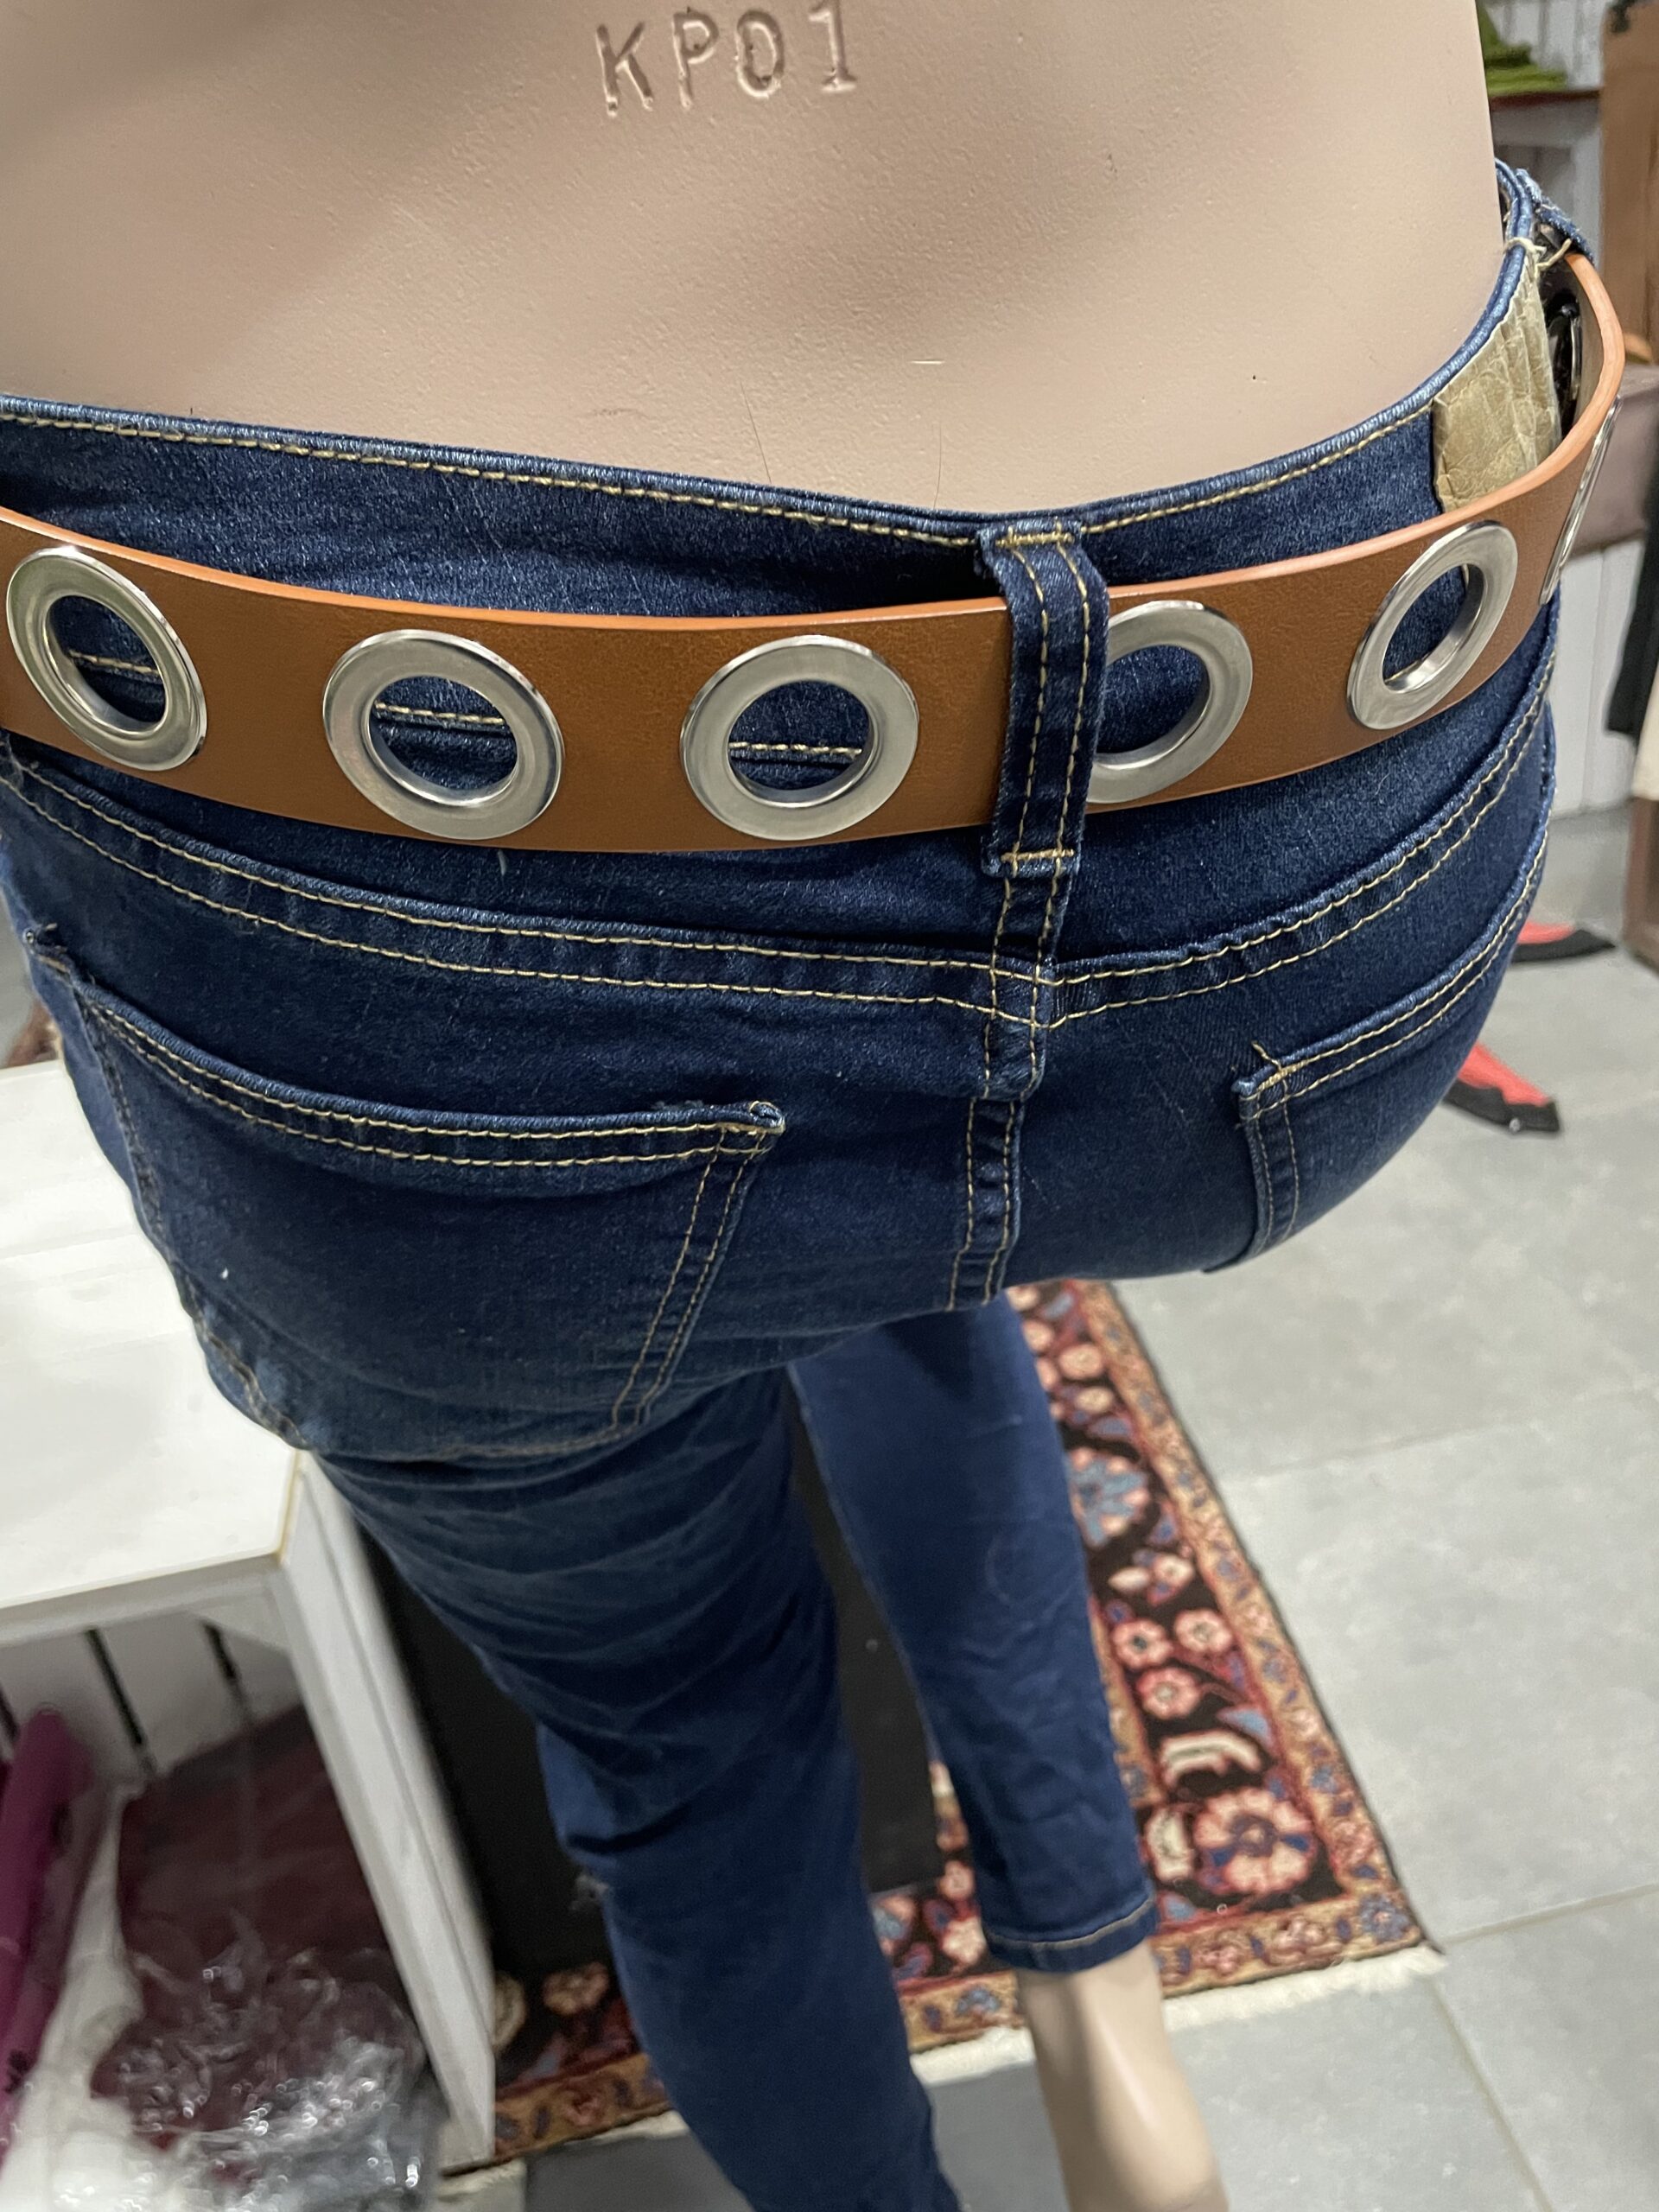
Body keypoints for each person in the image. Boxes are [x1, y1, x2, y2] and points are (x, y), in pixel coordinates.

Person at [0, 6, 1611, 2207]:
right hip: (1324, 699)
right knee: (918, 1258)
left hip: (349, 789)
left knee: (681, 1730)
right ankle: (1110, 2038)